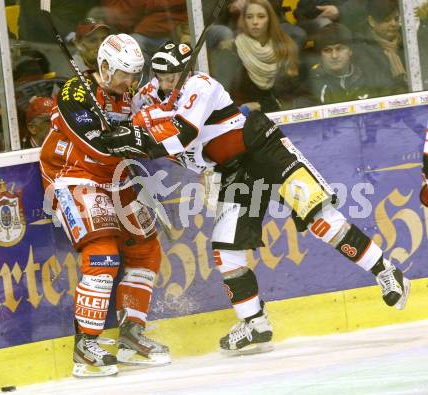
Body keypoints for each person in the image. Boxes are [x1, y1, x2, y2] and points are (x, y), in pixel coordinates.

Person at [103, 41, 411, 354]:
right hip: (232, 170)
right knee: (226, 247)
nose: (171, 83)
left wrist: (136, 134)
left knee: (317, 216)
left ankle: (385, 270)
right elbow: (125, 123)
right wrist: (123, 130)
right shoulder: (145, 97)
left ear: (188, 71)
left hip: (261, 146)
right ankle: (254, 322)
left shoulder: (201, 85)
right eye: (164, 77)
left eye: (176, 76)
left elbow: (180, 135)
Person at [39, 34, 169, 378]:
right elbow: (95, 147)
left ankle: (131, 336)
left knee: (147, 248)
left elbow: (156, 127)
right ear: (105, 66)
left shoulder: (129, 93)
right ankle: (86, 346)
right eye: (125, 73)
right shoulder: (75, 91)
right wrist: (133, 138)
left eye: (136, 74)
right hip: (72, 174)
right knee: (102, 253)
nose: (131, 81)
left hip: (115, 175)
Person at [211, 0, 299, 113]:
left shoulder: (285, 48)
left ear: (270, 20)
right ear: (243, 20)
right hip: (244, 119)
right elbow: (220, 101)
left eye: (261, 16)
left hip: (281, 115)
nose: (255, 22)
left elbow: (296, 94)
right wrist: (243, 109)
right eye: (249, 17)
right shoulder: (230, 52)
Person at [307, 23, 377, 104]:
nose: (334, 56)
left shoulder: (369, 75)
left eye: (339, 48)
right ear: (320, 55)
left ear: (350, 51)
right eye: (327, 50)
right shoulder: (311, 85)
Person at [353, 0, 408, 96]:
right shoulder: (361, 49)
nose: (394, 24)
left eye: (396, 19)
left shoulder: (407, 41)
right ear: (372, 21)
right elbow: (378, 87)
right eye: (387, 20)